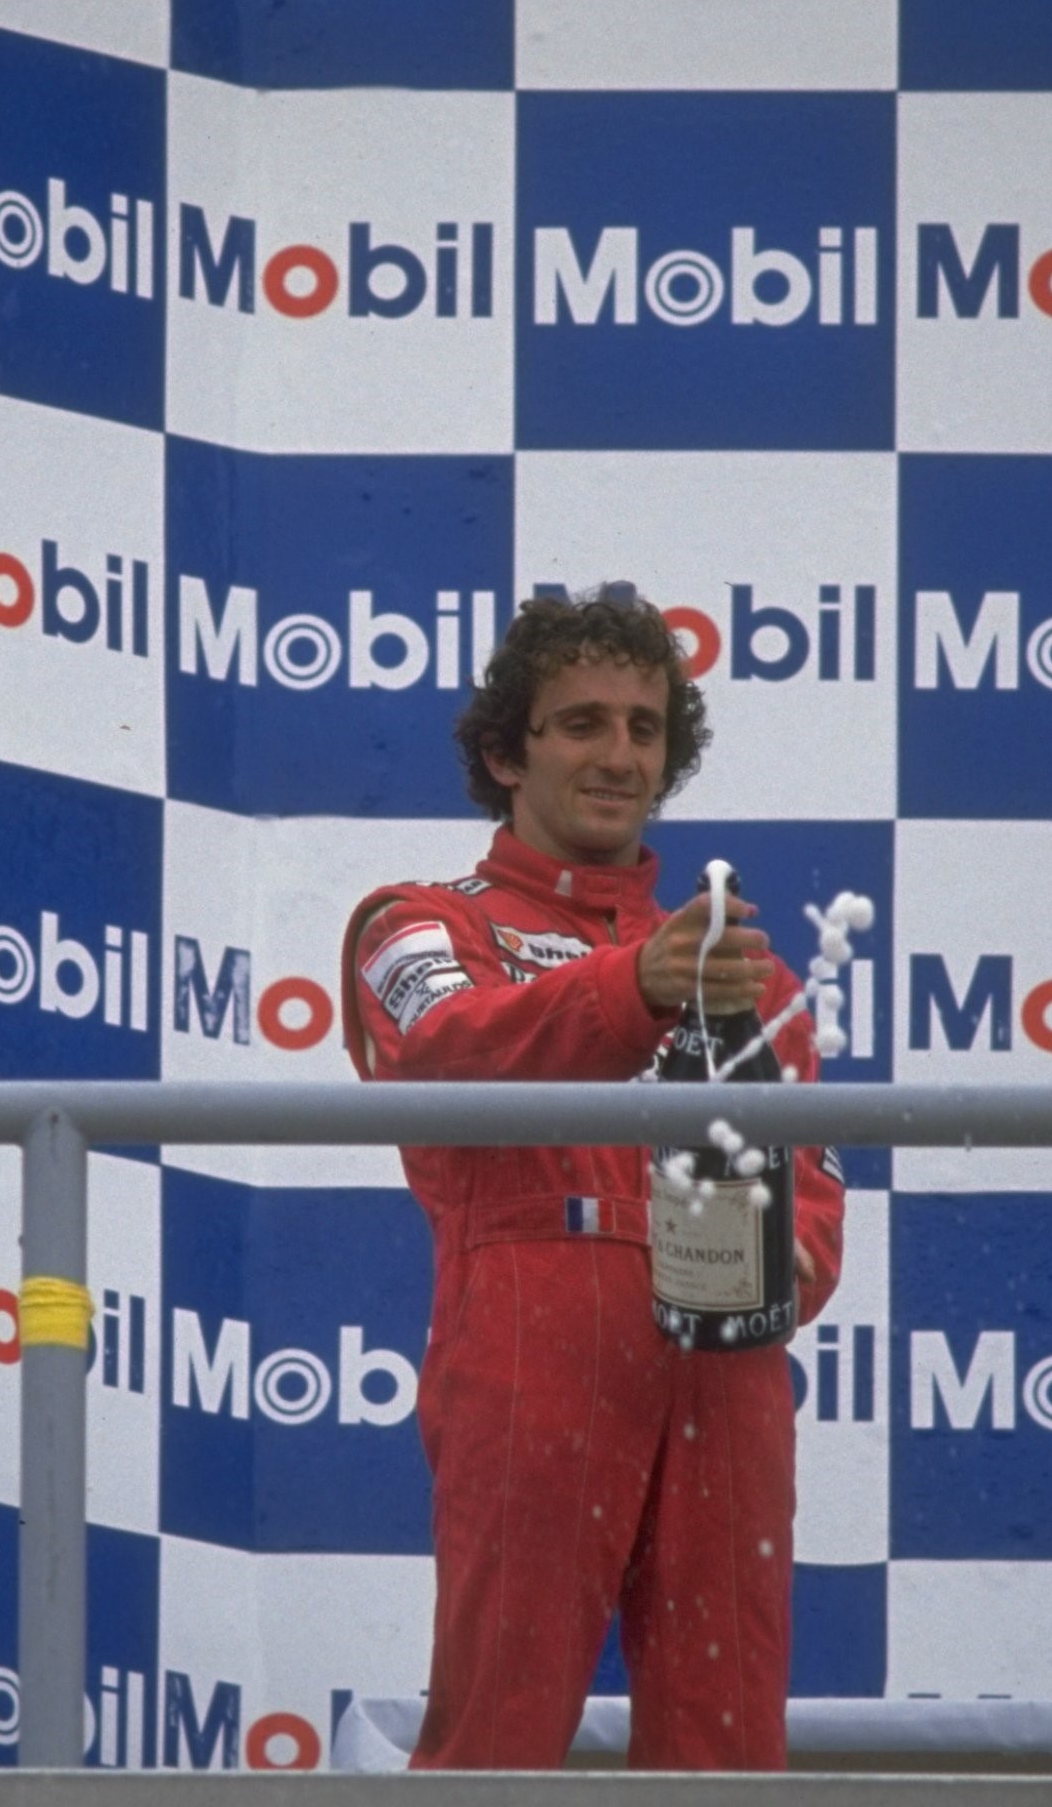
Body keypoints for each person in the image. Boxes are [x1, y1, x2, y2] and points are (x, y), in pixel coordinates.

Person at [338, 591, 846, 1772]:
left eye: (644, 727)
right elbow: (437, 1049)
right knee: (498, 1734)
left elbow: (811, 1192)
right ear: (504, 752)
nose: (619, 755)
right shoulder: (416, 922)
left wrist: (790, 1265)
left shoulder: (743, 976)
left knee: (725, 1750)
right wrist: (635, 992)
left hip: (728, 1358)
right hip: (533, 1337)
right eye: (580, 724)